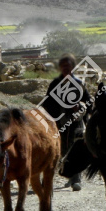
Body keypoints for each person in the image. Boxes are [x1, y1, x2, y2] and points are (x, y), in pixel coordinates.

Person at [42, 54, 91, 191]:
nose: (65, 69)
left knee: (76, 150)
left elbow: (88, 102)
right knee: (59, 151)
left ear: (72, 68)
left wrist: (79, 106)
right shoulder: (55, 84)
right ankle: (50, 179)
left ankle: (76, 180)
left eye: (68, 67)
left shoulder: (79, 84)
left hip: (76, 123)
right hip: (59, 124)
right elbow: (47, 103)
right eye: (63, 67)